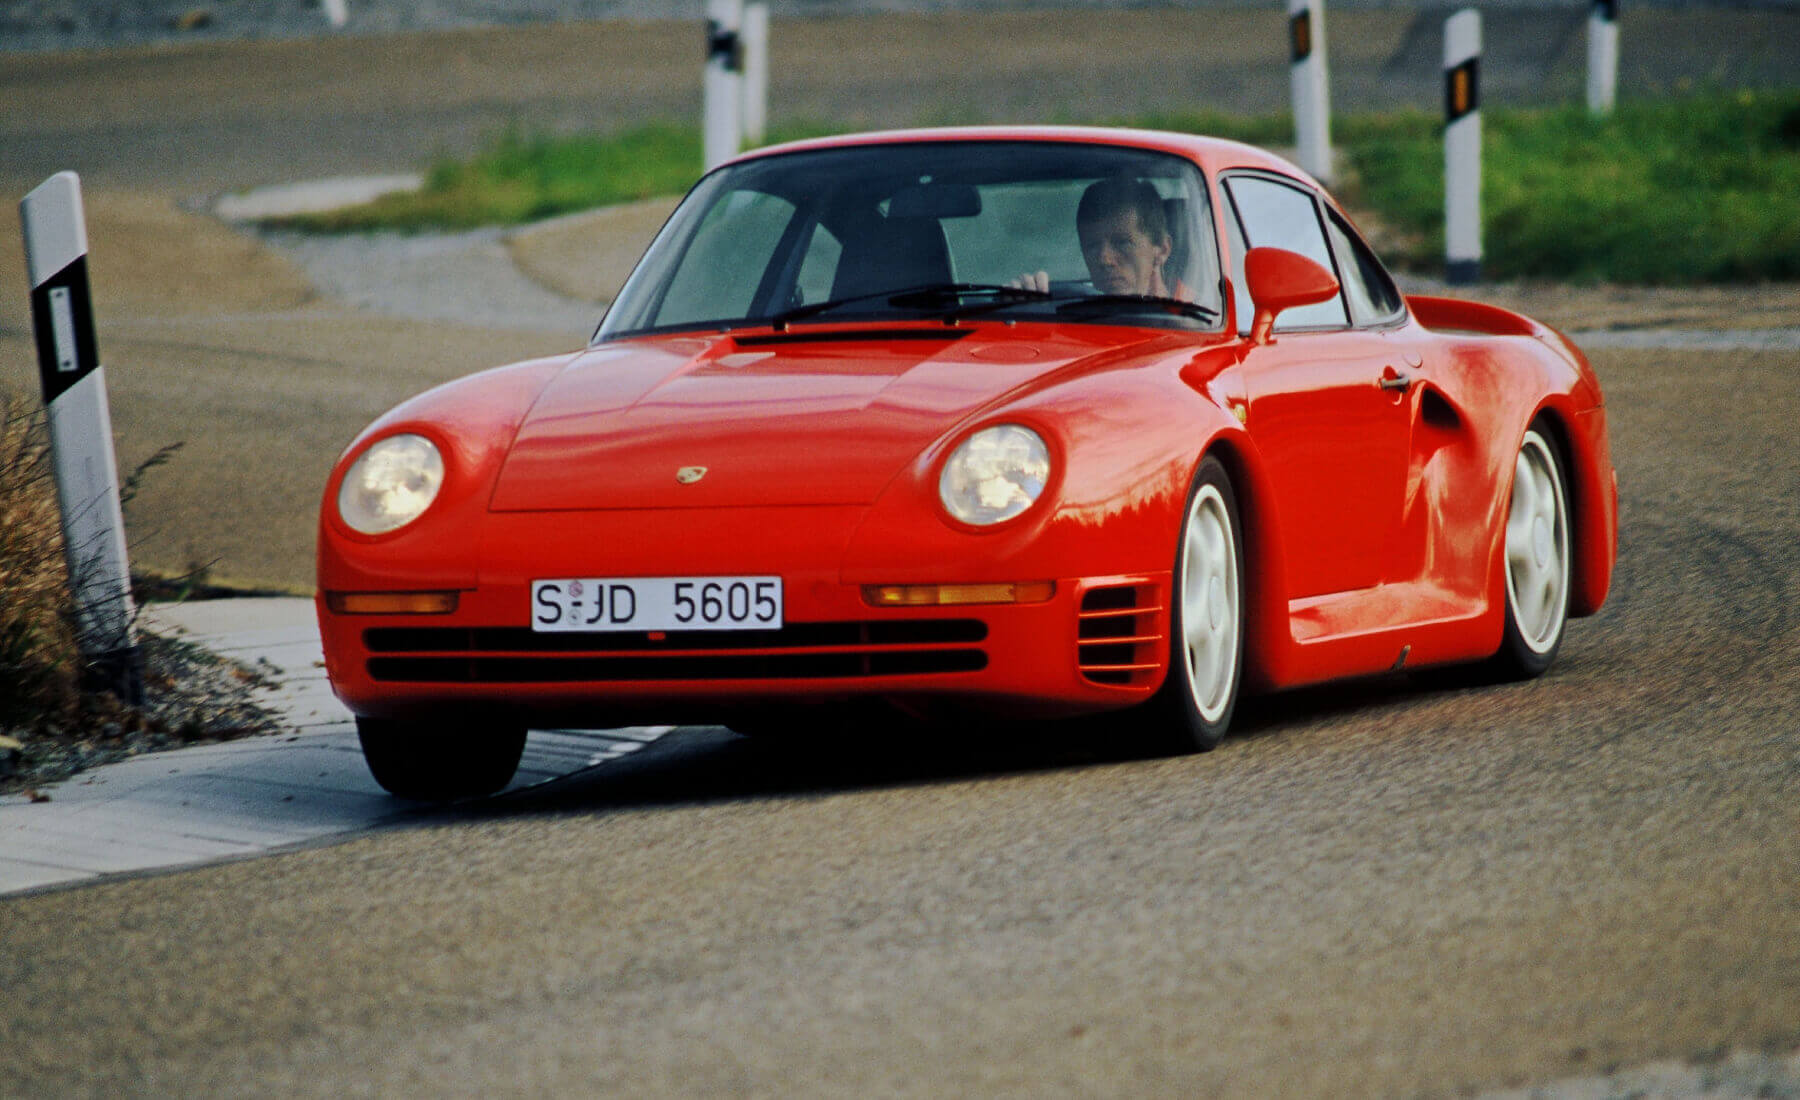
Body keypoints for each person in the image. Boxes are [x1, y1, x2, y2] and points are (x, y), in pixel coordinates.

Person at [1013, 176, 1177, 297]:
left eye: (1122, 243)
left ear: (1162, 250)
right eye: (1092, 246)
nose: (1104, 260)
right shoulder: (1071, 315)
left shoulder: (1197, 318)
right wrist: (1022, 310)